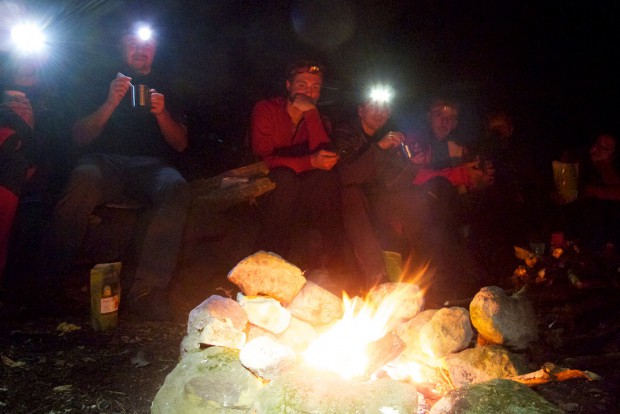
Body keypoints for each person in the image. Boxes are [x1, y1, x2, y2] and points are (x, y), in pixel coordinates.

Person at [44, 23, 190, 320]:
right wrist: (110, 101)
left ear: (155, 50)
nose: (140, 49)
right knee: (83, 179)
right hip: (104, 162)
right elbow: (79, 137)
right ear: (123, 48)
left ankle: (147, 291)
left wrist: (162, 114)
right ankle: (51, 284)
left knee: (175, 187)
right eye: (133, 44)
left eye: (147, 45)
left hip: (151, 166)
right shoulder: (100, 81)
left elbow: (180, 144)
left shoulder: (168, 86)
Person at [332, 94, 487, 301]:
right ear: (360, 110)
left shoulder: (453, 146)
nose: (381, 113)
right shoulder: (348, 132)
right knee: (430, 197)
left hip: (384, 199)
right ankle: (384, 278)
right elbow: (349, 177)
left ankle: (439, 283)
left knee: (429, 203)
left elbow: (395, 178)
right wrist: (380, 148)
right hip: (352, 201)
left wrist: (411, 165)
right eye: (439, 115)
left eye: (385, 108)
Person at [250, 60, 343, 273]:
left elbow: (325, 158)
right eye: (302, 85)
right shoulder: (266, 109)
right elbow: (263, 159)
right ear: (288, 86)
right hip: (268, 185)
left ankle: (336, 266)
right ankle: (267, 265)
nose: (309, 92)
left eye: (315, 87)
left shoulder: (318, 118)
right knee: (285, 180)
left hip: (303, 189)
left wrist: (311, 114)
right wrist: (309, 162)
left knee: (327, 180)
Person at [0, 44, 70, 289]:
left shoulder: (50, 98)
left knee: (14, 162)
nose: (27, 59)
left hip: (27, 170)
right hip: (8, 162)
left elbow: (57, 143)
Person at [554, 133, 620, 255]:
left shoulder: (612, 169)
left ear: (614, 155)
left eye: (606, 148)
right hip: (576, 231)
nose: (599, 149)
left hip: (606, 236)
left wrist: (604, 165)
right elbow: (564, 193)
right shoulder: (578, 161)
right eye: (597, 144)